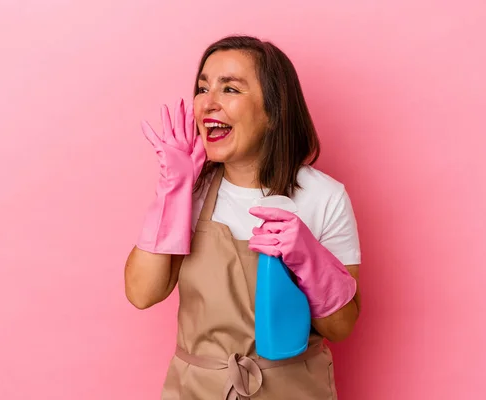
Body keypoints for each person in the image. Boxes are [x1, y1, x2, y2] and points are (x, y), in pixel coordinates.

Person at [124, 35, 362, 399]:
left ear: (273, 111)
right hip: (198, 390)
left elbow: (342, 326)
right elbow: (142, 293)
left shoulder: (324, 197)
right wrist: (172, 193)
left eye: (230, 89)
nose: (209, 102)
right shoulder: (193, 192)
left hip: (295, 390)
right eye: (203, 88)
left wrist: (311, 262)